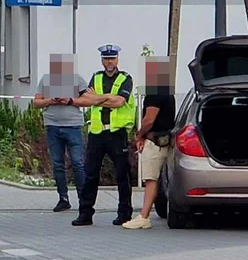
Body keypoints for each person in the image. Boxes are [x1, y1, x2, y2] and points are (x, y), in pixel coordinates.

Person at [72, 45, 136, 227]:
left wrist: (98, 97)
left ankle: (124, 213)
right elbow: (85, 100)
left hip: (117, 132)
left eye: (112, 58)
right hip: (97, 132)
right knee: (90, 174)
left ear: (117, 60)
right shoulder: (96, 77)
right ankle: (85, 214)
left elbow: (119, 101)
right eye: (106, 59)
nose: (109, 62)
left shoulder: (125, 78)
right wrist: (107, 98)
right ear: (102, 60)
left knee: (122, 175)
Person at [32, 53, 89, 213]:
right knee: (57, 164)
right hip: (53, 125)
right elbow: (36, 102)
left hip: (73, 125)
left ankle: (83, 198)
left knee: (77, 162)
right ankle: (63, 198)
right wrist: (50, 100)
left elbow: (88, 100)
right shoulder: (46, 79)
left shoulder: (77, 79)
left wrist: (70, 100)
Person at [124, 57, 176, 230]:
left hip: (154, 142)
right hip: (166, 139)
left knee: (150, 179)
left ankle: (144, 216)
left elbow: (148, 120)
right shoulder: (168, 93)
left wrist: (139, 135)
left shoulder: (154, 93)